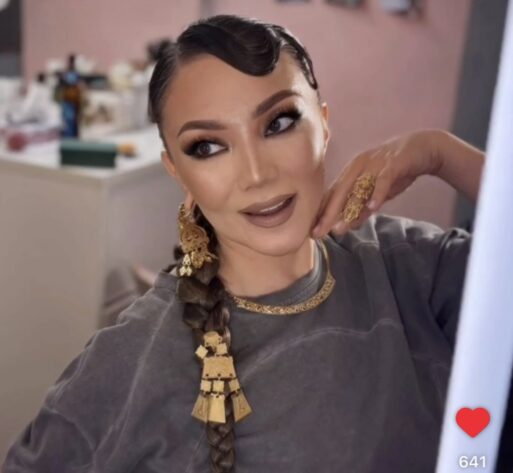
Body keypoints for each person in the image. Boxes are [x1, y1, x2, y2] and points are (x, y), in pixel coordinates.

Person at [2, 14, 485, 473]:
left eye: (279, 123)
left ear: (323, 123)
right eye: (208, 146)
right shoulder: (140, 354)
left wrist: (440, 153)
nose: (256, 175)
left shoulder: (405, 263)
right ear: (177, 171)